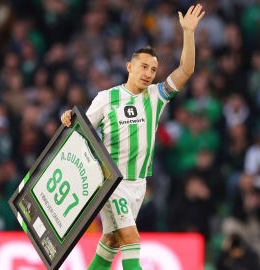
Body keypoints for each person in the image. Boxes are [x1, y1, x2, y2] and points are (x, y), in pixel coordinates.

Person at [60, 5, 205, 270]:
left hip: (138, 184)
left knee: (112, 242)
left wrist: (188, 34)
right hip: (111, 180)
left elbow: (186, 69)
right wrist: (68, 116)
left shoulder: (156, 97)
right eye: (144, 67)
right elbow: (80, 130)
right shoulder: (107, 98)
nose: (149, 73)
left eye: (153, 69)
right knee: (131, 238)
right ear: (129, 66)